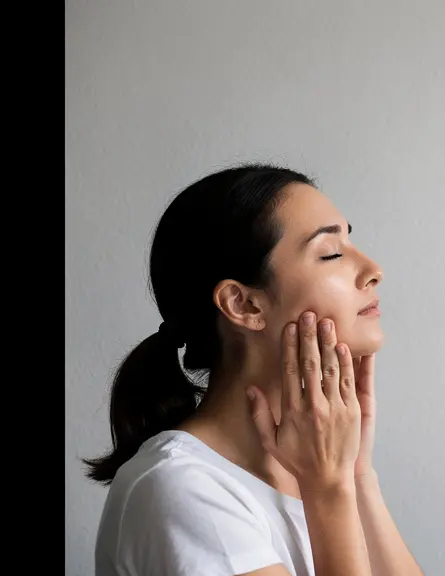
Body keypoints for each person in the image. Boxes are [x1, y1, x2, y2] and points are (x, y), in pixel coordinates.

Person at [84, 165, 423, 576]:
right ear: (243, 305)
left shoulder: (316, 472)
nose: (373, 269)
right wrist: (330, 491)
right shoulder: (181, 488)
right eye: (331, 253)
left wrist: (356, 474)